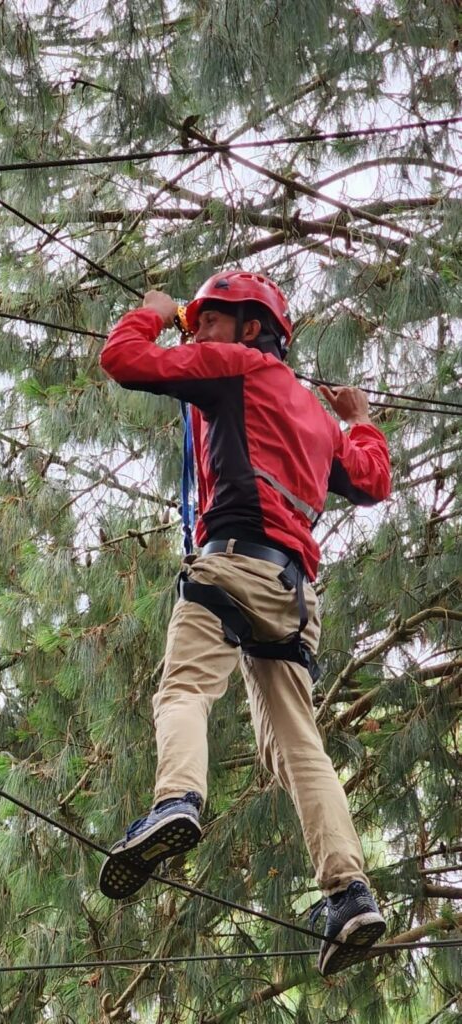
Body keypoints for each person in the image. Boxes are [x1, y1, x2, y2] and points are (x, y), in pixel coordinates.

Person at [98, 270, 391, 976]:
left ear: (252, 329)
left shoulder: (234, 367)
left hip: (232, 563)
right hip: (292, 592)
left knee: (184, 691)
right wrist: (360, 418)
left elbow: (123, 360)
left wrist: (150, 312)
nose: (197, 332)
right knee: (295, 747)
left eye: (211, 320)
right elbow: (370, 481)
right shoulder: (316, 417)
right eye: (194, 321)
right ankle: (349, 891)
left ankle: (176, 799)